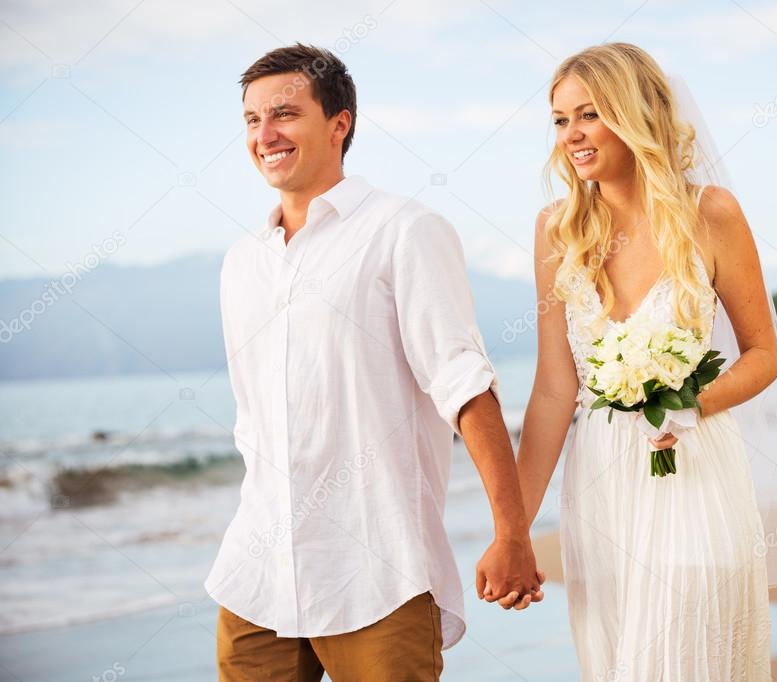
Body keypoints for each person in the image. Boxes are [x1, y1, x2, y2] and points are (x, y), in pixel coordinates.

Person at [204, 43, 542, 681]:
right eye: (251, 120)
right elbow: (253, 416)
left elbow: (463, 384)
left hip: (377, 568)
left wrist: (512, 534)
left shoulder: (404, 231)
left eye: (284, 114)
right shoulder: (242, 262)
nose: (265, 134)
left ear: (340, 123)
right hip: (258, 571)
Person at [516, 42, 777, 680]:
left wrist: (689, 407)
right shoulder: (555, 230)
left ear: (634, 113)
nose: (572, 135)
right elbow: (553, 392)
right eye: (560, 119)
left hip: (696, 473)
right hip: (600, 489)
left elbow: (762, 355)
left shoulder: (711, 213)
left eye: (589, 114)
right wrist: (514, 528)